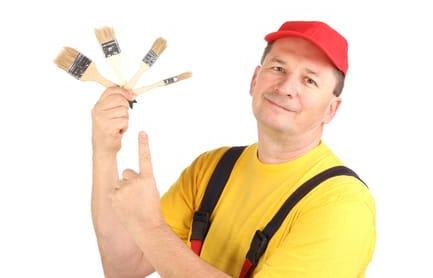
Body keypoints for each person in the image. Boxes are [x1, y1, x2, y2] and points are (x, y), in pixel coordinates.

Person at [91, 20, 376, 277]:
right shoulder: (211, 168)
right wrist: (105, 151)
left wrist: (150, 226)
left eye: (309, 80)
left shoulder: (341, 205)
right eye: (278, 68)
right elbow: (123, 267)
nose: (287, 87)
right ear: (254, 80)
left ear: (331, 109)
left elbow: (149, 235)